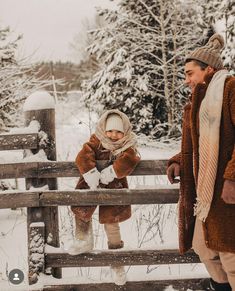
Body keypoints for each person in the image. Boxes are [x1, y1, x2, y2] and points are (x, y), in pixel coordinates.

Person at [167, 33, 235, 291]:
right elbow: (198, 142)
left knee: (231, 256)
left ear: (208, 69)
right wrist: (178, 160)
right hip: (206, 196)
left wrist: (232, 177)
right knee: (204, 249)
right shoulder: (195, 104)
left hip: (227, 191)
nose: (186, 80)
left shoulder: (230, 88)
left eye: (190, 73)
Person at [68, 109, 140, 285]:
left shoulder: (128, 145)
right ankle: (83, 239)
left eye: (118, 131)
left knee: (111, 223)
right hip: (91, 184)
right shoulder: (96, 140)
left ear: (125, 132)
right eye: (110, 130)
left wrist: (114, 171)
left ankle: (117, 262)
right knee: (82, 209)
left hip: (113, 187)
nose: (113, 135)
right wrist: (90, 171)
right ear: (103, 129)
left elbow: (131, 158)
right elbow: (84, 154)